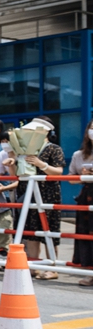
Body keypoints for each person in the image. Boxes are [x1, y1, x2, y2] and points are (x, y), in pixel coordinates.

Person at [9, 116, 66, 280]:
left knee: (50, 230)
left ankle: (51, 266)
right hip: (27, 193)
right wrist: (12, 162)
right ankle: (33, 264)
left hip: (48, 193)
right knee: (30, 232)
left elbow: (59, 171)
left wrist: (41, 164)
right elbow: (17, 174)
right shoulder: (23, 149)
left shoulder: (53, 148)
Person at [69, 119, 93, 286]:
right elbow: (71, 178)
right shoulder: (79, 154)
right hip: (87, 195)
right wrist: (83, 176)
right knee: (87, 235)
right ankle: (90, 272)